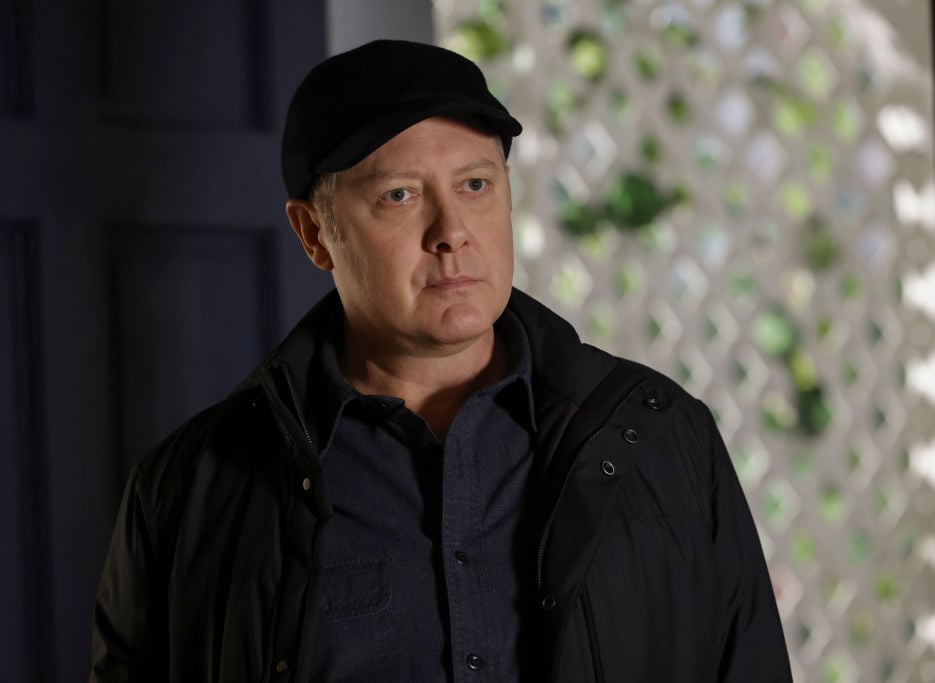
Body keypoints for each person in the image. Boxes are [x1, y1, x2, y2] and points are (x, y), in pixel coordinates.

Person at [90, 39, 791, 682]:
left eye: (475, 185)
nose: (451, 231)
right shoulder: (187, 491)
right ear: (314, 233)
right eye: (399, 195)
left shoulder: (662, 441)